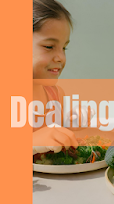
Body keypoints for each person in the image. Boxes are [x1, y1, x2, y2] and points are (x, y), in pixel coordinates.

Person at [32, 0, 78, 155]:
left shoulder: (55, 95)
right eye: (49, 47)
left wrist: (69, 126)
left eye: (64, 48)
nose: (61, 57)